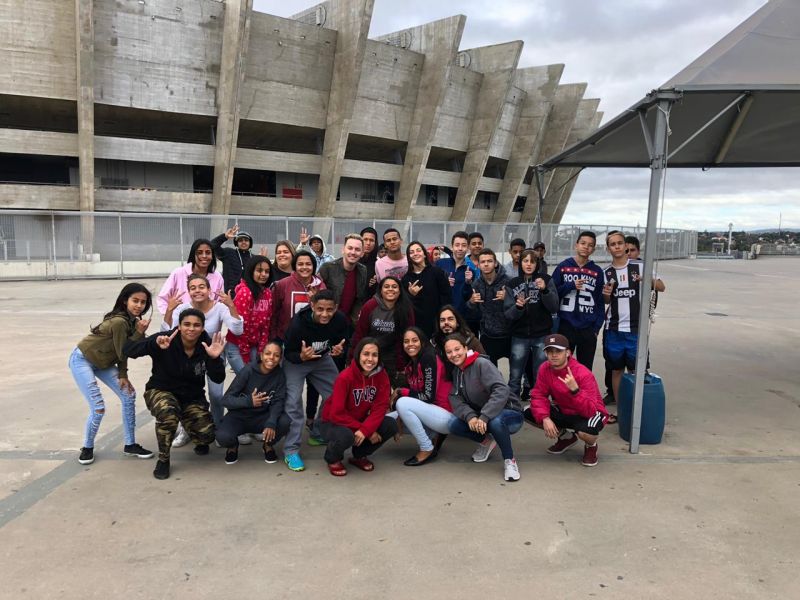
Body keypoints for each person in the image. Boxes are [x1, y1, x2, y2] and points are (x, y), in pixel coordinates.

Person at [124, 309, 226, 480]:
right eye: (186, 324)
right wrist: (153, 344)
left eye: (196, 325)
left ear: (202, 328)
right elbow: (129, 350)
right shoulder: (165, 338)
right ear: (179, 326)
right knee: (168, 415)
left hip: (191, 396)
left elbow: (218, 378)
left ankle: (189, 425)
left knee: (206, 436)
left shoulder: (205, 344)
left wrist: (215, 359)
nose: (191, 329)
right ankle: (163, 459)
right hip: (161, 390)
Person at [69, 283, 154, 465]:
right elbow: (123, 351)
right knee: (98, 407)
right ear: (125, 301)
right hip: (82, 359)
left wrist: (141, 332)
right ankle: (87, 447)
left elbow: (136, 347)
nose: (139, 305)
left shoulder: (132, 321)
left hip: (103, 362)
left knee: (128, 395)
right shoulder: (119, 322)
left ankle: (130, 444)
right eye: (135, 301)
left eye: (143, 302)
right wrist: (123, 374)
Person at [161, 273, 243, 440]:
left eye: (201, 287)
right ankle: (186, 429)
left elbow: (237, 329)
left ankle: (219, 427)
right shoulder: (182, 309)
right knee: (186, 393)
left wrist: (231, 306)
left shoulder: (219, 307)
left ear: (209, 290)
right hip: (189, 357)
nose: (197, 291)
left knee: (216, 395)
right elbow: (167, 331)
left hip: (213, 356)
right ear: (188, 291)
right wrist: (169, 310)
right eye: (192, 288)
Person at [281, 290, 349, 472]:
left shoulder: (340, 319)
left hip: (322, 359)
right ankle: (291, 450)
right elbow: (288, 353)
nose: (325, 314)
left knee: (337, 393)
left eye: (329, 309)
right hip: (297, 362)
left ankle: (317, 431)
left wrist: (339, 350)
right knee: (293, 401)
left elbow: (345, 340)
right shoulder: (298, 324)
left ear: (335, 308)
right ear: (312, 306)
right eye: (320, 309)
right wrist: (301, 357)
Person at [443, 334, 524, 481]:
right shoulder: (457, 371)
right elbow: (454, 397)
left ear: (465, 348)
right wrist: (470, 416)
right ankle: (486, 441)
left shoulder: (481, 364)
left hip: (510, 414)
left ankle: (509, 460)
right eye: (449, 352)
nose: (454, 354)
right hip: (482, 417)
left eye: (457, 349)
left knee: (495, 422)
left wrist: (485, 416)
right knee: (453, 425)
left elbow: (501, 390)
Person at [602, 230, 666, 407]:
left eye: (619, 243)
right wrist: (606, 294)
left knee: (636, 370)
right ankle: (622, 408)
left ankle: (637, 408)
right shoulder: (605, 272)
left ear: (625, 246)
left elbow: (661, 286)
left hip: (636, 328)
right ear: (608, 249)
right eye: (613, 244)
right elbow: (606, 300)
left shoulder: (640, 267)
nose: (617, 247)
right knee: (616, 370)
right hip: (613, 329)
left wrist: (645, 280)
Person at [320, 338, 398, 476]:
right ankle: (332, 458)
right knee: (346, 435)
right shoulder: (345, 377)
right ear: (358, 355)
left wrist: (366, 429)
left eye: (374, 355)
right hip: (332, 422)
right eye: (366, 354)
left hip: (359, 421)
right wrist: (363, 429)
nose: (370, 359)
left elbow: (380, 407)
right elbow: (336, 413)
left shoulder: (382, 376)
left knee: (390, 425)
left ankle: (359, 455)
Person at [526, 333, 608, 467]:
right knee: (530, 412)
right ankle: (566, 438)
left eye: (558, 351)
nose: (554, 355)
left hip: (591, 412)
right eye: (550, 351)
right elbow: (539, 395)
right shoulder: (544, 368)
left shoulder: (583, 373)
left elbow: (590, 410)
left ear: (568, 352)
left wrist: (575, 391)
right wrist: (545, 418)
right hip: (565, 409)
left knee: (585, 432)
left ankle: (591, 446)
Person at [216, 342, 291, 466]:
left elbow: (278, 401)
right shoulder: (248, 370)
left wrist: (271, 422)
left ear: (280, 359)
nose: (271, 358)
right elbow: (226, 400)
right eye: (267, 353)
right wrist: (249, 401)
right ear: (261, 356)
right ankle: (233, 447)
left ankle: (267, 445)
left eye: (276, 355)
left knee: (285, 421)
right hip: (240, 417)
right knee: (222, 436)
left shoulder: (280, 375)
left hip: (262, 417)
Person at [392, 327, 453, 466]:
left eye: (414, 340)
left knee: (402, 403)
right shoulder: (411, 364)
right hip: (429, 413)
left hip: (444, 416)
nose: (410, 344)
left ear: (422, 342)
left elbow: (428, 396)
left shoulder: (428, 357)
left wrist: (402, 392)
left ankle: (427, 448)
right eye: (406, 341)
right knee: (385, 422)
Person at [503, 249, 559, 398]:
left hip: (541, 335)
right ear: (520, 263)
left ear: (537, 264)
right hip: (519, 336)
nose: (529, 264)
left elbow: (554, 307)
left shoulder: (546, 279)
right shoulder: (512, 283)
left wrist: (545, 291)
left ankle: (539, 404)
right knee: (515, 375)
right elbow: (508, 314)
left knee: (540, 375)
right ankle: (512, 405)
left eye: (532, 261)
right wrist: (519, 307)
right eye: (525, 261)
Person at [551, 231, 605, 369]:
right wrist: (570, 285)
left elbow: (599, 301)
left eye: (590, 245)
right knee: (562, 367)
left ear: (593, 249)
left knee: (585, 370)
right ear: (576, 245)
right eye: (583, 243)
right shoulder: (563, 267)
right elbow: (552, 294)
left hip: (587, 327)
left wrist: (596, 327)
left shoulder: (597, 271)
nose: (586, 247)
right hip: (566, 325)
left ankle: (582, 392)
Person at [351, 275, 415, 386]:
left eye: (394, 287)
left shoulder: (406, 308)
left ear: (400, 291)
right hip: (371, 352)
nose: (390, 289)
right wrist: (352, 359)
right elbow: (360, 334)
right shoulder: (370, 306)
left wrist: (402, 364)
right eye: (386, 286)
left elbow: (407, 337)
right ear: (380, 290)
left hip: (394, 356)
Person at [225, 256, 272, 375]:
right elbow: (242, 327)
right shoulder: (245, 292)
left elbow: (266, 324)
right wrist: (245, 355)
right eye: (259, 270)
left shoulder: (267, 293)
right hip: (237, 347)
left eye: (267, 271)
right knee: (247, 380)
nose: (263, 274)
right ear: (251, 271)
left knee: (255, 381)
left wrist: (262, 349)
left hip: (254, 346)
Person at [467, 248, 511, 366]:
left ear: (495, 263)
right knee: (490, 373)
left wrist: (509, 298)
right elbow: (472, 312)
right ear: (479, 265)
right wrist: (471, 302)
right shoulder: (476, 284)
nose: (486, 264)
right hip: (488, 335)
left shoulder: (508, 281)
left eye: (489, 261)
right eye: (483, 262)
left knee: (516, 374)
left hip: (509, 334)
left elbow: (518, 308)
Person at [270, 250, 325, 342]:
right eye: (300, 264)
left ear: (313, 266)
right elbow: (273, 313)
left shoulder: (321, 286)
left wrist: (315, 301)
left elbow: (324, 314)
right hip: (285, 339)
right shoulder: (282, 284)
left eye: (308, 264)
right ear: (294, 266)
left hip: (312, 340)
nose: (304, 267)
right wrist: (274, 337)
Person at [157, 239, 224, 313]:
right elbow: (162, 299)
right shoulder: (178, 273)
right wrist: (170, 318)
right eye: (199, 253)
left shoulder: (217, 277)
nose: (204, 256)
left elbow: (220, 304)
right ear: (193, 255)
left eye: (208, 253)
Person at [401, 240, 451, 338]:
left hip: (436, 322)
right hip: (416, 325)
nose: (415, 253)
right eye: (412, 252)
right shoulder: (406, 278)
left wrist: (443, 319)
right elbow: (403, 304)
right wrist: (411, 295)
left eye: (418, 250)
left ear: (424, 254)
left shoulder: (437, 272)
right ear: (409, 257)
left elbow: (446, 296)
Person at [318, 233, 368, 328]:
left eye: (357, 249)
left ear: (362, 253)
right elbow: (316, 295)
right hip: (326, 321)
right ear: (343, 250)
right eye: (350, 248)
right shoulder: (327, 268)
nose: (353, 252)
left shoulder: (363, 270)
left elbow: (359, 298)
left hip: (348, 324)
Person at [431, 305, 485, 378]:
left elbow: (485, 365)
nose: (446, 322)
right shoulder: (434, 343)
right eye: (442, 320)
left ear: (457, 322)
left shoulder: (471, 341)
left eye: (450, 319)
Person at [435, 231, 479, 318]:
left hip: (460, 317)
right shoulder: (439, 264)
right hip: (440, 315)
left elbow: (467, 297)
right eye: (457, 245)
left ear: (468, 248)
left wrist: (468, 283)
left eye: (463, 245)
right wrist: (444, 283)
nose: (460, 248)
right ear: (452, 247)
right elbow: (432, 288)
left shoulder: (470, 272)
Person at [210, 225, 255, 297]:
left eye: (246, 240)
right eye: (240, 240)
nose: (243, 242)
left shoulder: (254, 258)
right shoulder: (229, 253)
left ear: (250, 243)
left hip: (249, 297)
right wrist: (224, 237)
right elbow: (212, 245)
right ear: (236, 243)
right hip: (229, 297)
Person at [359, 226, 379, 297]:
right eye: (365, 239)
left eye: (371, 240)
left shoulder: (378, 264)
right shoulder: (353, 261)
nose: (368, 243)